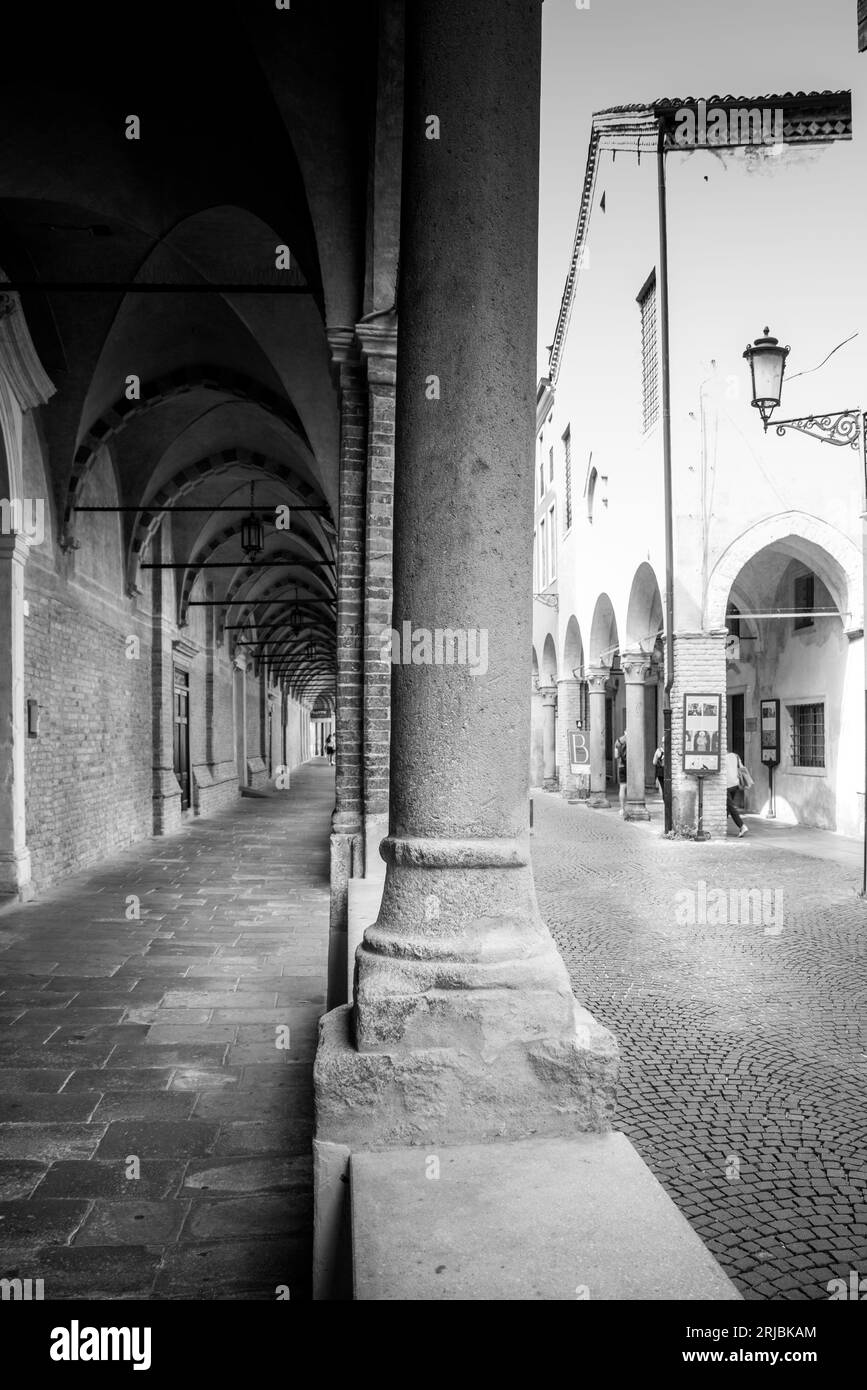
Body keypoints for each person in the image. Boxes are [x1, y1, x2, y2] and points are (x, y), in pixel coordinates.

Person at [725, 749, 748, 837]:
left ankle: (742, 826)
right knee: (727, 807)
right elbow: (741, 768)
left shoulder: (721, 758)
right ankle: (722, 827)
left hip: (726, 785)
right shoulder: (735, 756)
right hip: (735, 784)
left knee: (730, 807)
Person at [614, 730, 627, 815]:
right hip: (631, 767)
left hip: (621, 765)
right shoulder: (633, 739)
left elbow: (616, 756)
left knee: (622, 787)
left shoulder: (618, 741)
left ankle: (622, 809)